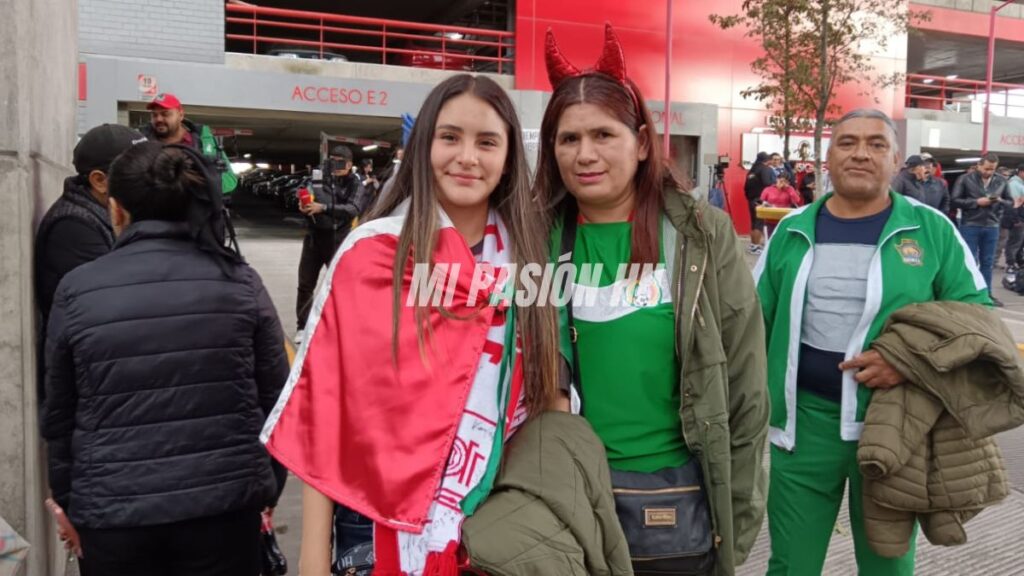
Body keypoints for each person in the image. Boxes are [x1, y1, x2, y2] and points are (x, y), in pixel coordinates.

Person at [262, 74, 563, 576]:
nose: (467, 156)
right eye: (450, 137)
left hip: (499, 518)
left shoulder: (530, 262)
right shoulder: (370, 256)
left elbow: (548, 396)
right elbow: (325, 410)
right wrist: (313, 552)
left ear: (509, 157)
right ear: (423, 145)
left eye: (487, 142)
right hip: (373, 518)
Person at [537, 24, 769, 576]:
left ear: (641, 143)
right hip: (568, 501)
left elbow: (746, 387)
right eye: (568, 139)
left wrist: (732, 525)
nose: (585, 154)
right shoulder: (532, 238)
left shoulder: (702, 235)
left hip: (675, 508)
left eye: (603, 135)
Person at [755, 109, 992, 576]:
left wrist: (908, 362)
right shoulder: (791, 229)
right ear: (828, 157)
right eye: (847, 143)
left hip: (894, 428)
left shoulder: (932, 230)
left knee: (888, 566)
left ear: (896, 159)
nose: (861, 153)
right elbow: (750, 320)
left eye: (876, 144)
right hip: (802, 430)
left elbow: (976, 318)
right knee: (790, 565)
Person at [41, 141, 289, 576]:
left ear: (116, 209)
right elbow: (278, 399)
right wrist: (265, 491)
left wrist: (70, 503)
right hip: (226, 510)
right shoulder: (240, 281)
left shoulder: (78, 289)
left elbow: (60, 413)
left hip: (114, 516)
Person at [35, 124, 146, 334]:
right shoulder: (73, 227)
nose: (149, 181)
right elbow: (112, 306)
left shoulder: (106, 212)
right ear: (99, 181)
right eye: (137, 172)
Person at [294, 145, 369, 342]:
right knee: (305, 284)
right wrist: (304, 204)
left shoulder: (356, 183)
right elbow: (308, 193)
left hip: (338, 240)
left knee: (340, 285)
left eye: (340, 161)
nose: (335, 165)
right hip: (314, 237)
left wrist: (324, 207)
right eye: (332, 160)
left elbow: (353, 208)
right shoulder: (320, 177)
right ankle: (302, 326)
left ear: (350, 164)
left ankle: (339, 325)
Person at [141, 92, 238, 198]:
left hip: (197, 210)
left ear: (181, 115)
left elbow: (229, 182)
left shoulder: (203, 140)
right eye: (154, 115)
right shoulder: (141, 142)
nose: (158, 119)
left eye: (165, 114)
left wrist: (193, 180)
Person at [952, 152, 1011, 306]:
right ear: (979, 165)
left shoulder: (1001, 181)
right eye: (986, 169)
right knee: (969, 260)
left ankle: (986, 294)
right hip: (970, 224)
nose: (988, 172)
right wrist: (976, 202)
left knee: (988, 262)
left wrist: (999, 202)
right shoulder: (965, 179)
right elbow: (955, 200)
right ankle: (968, 294)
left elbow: (1010, 202)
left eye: (992, 169)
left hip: (992, 225)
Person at [744, 151, 776, 254]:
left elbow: (745, 187)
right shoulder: (765, 169)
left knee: (753, 223)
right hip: (760, 200)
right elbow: (767, 183)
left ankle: (753, 245)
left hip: (751, 199)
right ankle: (757, 247)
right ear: (766, 160)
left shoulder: (752, 171)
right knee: (759, 223)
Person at [1001, 163, 1024, 272]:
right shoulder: (1014, 184)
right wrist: (1016, 220)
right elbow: (1013, 204)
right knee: (1015, 241)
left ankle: (1018, 262)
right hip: (1017, 218)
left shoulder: (1020, 184)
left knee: (1020, 242)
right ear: (1021, 172)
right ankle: (1010, 263)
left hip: (1021, 217)